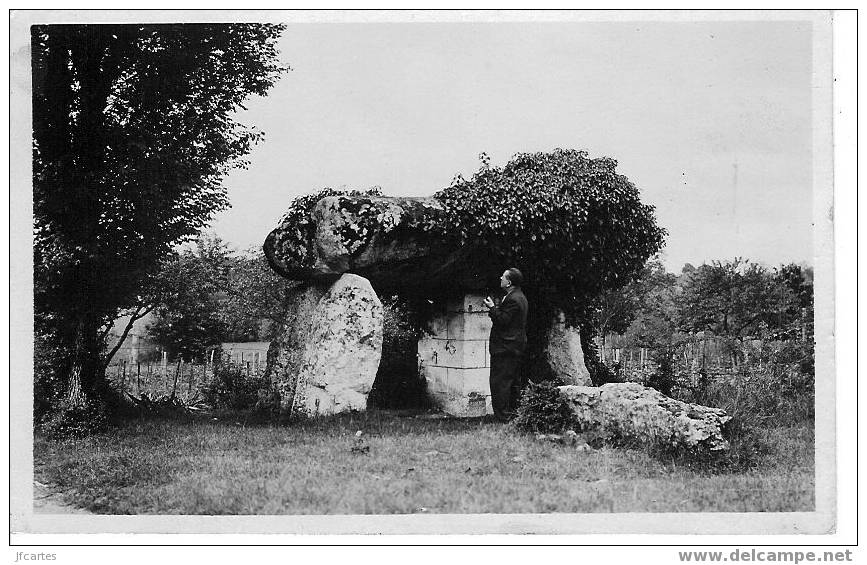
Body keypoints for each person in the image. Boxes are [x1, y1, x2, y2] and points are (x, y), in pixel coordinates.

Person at [483, 267, 528, 422]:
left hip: (505, 347)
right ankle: (514, 415)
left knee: (500, 382)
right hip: (513, 346)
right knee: (512, 382)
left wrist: (492, 308)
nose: (500, 278)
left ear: (509, 282)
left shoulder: (513, 299)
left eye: (503, 277)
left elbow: (503, 321)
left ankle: (503, 417)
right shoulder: (519, 297)